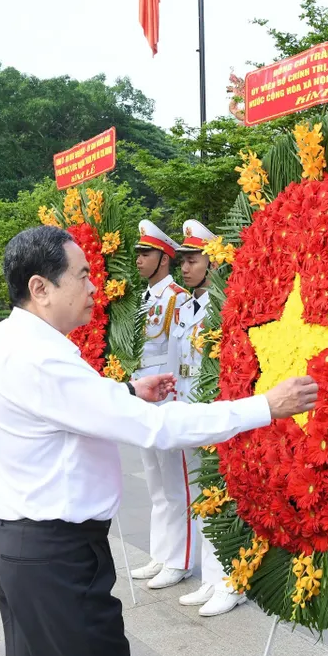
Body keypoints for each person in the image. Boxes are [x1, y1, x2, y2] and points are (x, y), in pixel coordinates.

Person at [0, 225, 317, 656]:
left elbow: (59, 405)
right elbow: (157, 429)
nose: (95, 285)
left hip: (21, 546)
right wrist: (265, 406)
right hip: (56, 557)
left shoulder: (2, 341)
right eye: (82, 274)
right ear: (40, 288)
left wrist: (128, 389)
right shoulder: (39, 357)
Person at [171, 219, 246, 617]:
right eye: (182, 260)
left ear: (211, 263)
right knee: (203, 492)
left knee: (223, 491)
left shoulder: (225, 304)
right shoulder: (185, 306)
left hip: (217, 405)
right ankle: (211, 578)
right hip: (187, 404)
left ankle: (232, 581)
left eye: (193, 259)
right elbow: (176, 359)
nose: (185, 267)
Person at [129, 220, 196, 590]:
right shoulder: (142, 299)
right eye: (138, 253)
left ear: (164, 259)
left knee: (176, 483)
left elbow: (177, 355)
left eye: (146, 254)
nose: (139, 260)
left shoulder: (177, 299)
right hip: (143, 398)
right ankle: (162, 553)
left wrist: (173, 401)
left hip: (166, 397)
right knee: (156, 483)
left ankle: (180, 559)